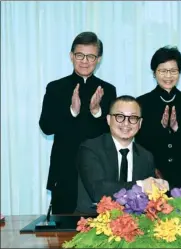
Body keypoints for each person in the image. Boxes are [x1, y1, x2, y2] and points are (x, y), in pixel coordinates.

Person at [39, 32, 117, 214]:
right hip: (64, 170)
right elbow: (46, 127)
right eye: (80, 55)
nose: (84, 61)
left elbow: (116, 132)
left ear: (98, 59)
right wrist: (71, 112)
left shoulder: (108, 90)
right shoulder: (55, 88)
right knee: (61, 236)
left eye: (91, 56)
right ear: (71, 56)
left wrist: (97, 112)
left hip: (100, 173)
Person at [76, 96, 169, 214]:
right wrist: (141, 186)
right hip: (92, 223)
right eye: (120, 117)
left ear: (140, 123)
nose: (126, 123)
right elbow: (98, 191)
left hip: (134, 226)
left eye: (133, 118)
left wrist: (158, 188)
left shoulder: (146, 157)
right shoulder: (90, 148)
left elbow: (149, 202)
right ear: (109, 119)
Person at [135, 46, 181, 189]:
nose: (168, 76)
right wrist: (162, 128)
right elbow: (139, 143)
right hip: (152, 173)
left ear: (179, 72)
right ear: (154, 73)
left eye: (173, 71)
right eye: (163, 71)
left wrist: (176, 128)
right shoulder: (142, 102)